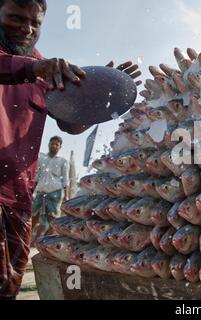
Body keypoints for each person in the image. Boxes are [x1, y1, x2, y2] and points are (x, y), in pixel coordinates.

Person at [0, 0, 141, 300]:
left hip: (19, 198)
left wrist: (98, 97)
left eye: (35, 23)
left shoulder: (43, 69)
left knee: (8, 284)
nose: (26, 29)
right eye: (15, 18)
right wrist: (34, 67)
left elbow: (69, 123)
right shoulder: (35, 66)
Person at [31, 136, 69, 243]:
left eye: (57, 144)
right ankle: (27, 240)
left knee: (53, 220)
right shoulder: (41, 158)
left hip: (55, 193)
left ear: (60, 147)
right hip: (40, 191)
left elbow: (65, 180)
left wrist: (66, 196)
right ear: (48, 144)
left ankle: (46, 243)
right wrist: (31, 191)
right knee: (34, 216)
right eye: (52, 144)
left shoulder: (63, 161)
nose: (54, 146)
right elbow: (37, 176)